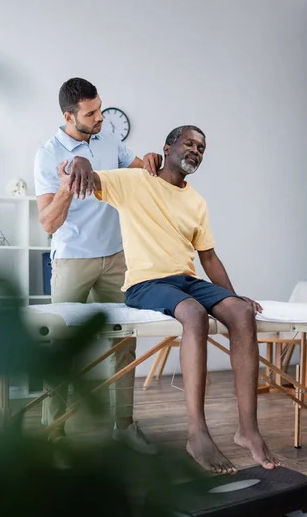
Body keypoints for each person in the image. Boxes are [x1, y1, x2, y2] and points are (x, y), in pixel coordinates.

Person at [57, 125, 281, 474]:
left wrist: (233, 295)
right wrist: (80, 161)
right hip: (146, 283)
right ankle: (198, 433)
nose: (196, 150)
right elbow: (77, 170)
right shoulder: (135, 182)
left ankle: (248, 430)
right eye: (189, 143)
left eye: (202, 148)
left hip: (186, 279)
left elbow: (209, 259)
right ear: (168, 147)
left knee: (240, 312)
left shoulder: (196, 201)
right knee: (193, 315)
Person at [34, 77, 161, 452]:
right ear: (69, 116)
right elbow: (48, 223)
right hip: (73, 259)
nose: (100, 116)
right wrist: (65, 188)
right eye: (91, 113)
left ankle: (124, 425)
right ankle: (53, 435)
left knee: (124, 344)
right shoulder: (47, 154)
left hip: (117, 258)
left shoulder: (109, 141)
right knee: (60, 347)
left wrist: (151, 162)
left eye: (101, 107)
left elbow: (140, 171)